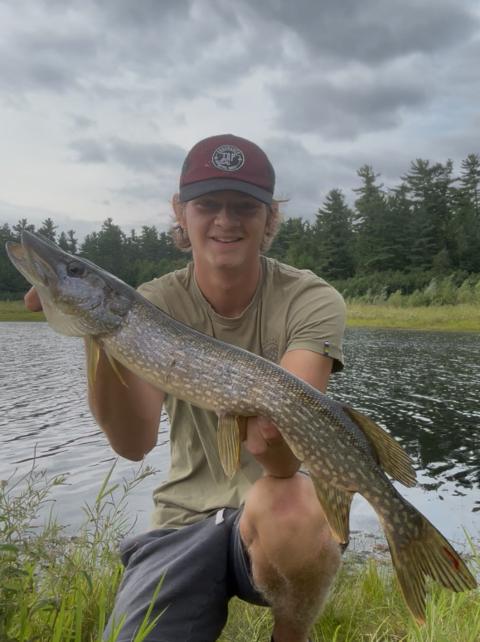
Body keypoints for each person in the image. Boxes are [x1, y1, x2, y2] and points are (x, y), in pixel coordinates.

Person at [25, 134, 347, 642]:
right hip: (182, 519)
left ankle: (290, 636)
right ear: (180, 211)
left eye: (244, 206)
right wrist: (94, 334)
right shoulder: (150, 305)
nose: (225, 220)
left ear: (270, 217)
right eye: (207, 204)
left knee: (295, 503)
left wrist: (274, 439)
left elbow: (287, 453)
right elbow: (133, 444)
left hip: (280, 504)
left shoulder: (311, 298)